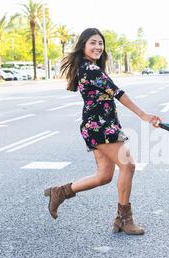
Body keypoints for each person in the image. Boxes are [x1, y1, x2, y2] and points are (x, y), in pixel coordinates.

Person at [44, 28, 162, 235]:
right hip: (100, 127)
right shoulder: (90, 69)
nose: (98, 46)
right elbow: (118, 93)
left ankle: (60, 192)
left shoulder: (88, 67)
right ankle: (125, 219)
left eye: (101, 43)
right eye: (93, 43)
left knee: (104, 176)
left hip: (100, 125)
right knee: (129, 166)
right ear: (83, 45)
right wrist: (144, 115)